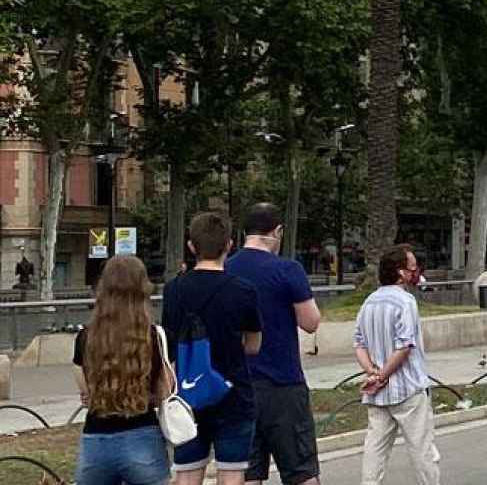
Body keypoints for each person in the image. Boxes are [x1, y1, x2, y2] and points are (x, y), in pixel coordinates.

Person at [225, 203, 322, 485]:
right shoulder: (288, 269)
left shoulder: (227, 269)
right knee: (301, 471)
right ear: (277, 231)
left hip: (239, 386)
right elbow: (310, 322)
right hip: (283, 385)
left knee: (248, 472)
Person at [163, 211, 262, 485]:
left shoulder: (174, 290)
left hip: (188, 396)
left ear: (192, 246)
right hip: (233, 393)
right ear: (230, 245)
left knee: (187, 473)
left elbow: (169, 345)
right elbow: (253, 345)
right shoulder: (244, 290)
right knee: (232, 473)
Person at [74, 255, 175, 485]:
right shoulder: (156, 337)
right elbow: (165, 391)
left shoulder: (84, 338)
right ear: (143, 290)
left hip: (95, 440)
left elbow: (86, 395)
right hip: (143, 436)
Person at [353, 245, 439, 485]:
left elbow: (358, 343)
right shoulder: (405, 302)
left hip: (378, 394)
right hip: (408, 390)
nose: (416, 272)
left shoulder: (368, 302)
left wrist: (372, 371)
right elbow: (404, 346)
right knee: (423, 452)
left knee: (375, 452)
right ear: (401, 273)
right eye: (413, 268)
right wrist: (384, 374)